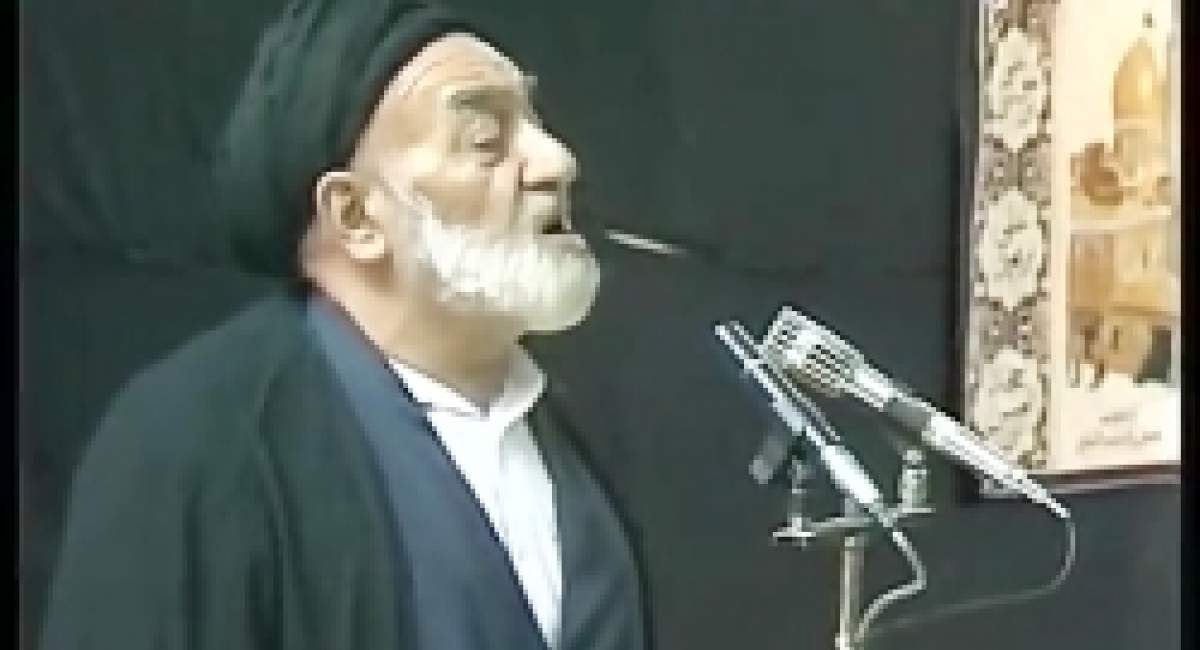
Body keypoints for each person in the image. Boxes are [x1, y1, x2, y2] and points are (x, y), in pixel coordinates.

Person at [38, 2, 649, 649]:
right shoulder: (192, 444)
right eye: (484, 141)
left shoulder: (570, 445)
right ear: (356, 218)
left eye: (534, 122)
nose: (557, 161)